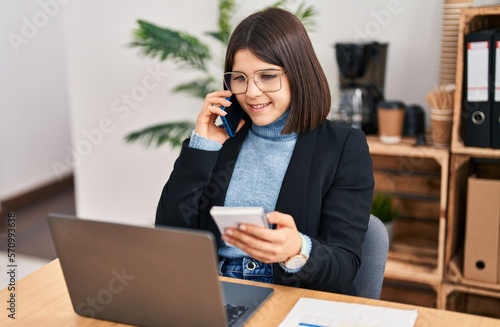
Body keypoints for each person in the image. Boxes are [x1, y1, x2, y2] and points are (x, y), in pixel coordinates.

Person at [155, 7, 374, 295]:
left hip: (289, 294)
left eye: (268, 76)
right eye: (240, 78)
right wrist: (202, 146)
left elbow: (344, 266)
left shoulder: (343, 146)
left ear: (298, 74)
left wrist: (297, 249)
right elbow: (170, 236)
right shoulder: (223, 140)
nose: (252, 92)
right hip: (215, 290)